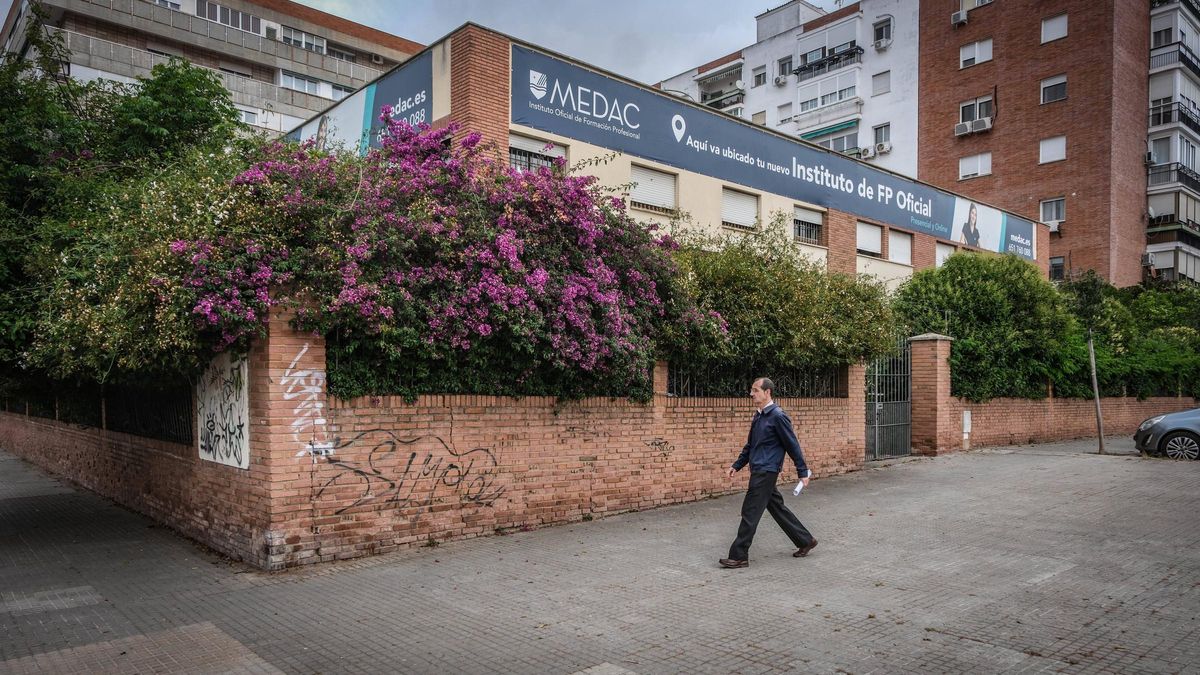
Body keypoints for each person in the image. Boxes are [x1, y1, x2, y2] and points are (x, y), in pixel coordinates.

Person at [719, 377, 817, 569]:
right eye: (752, 390)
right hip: (759, 468)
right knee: (777, 508)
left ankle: (739, 555)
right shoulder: (759, 416)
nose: (751, 393)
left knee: (750, 511)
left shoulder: (778, 416)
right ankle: (805, 540)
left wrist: (802, 471)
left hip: (766, 471)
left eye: (755, 390)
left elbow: (792, 445)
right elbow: (751, 445)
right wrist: (737, 465)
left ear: (767, 392)